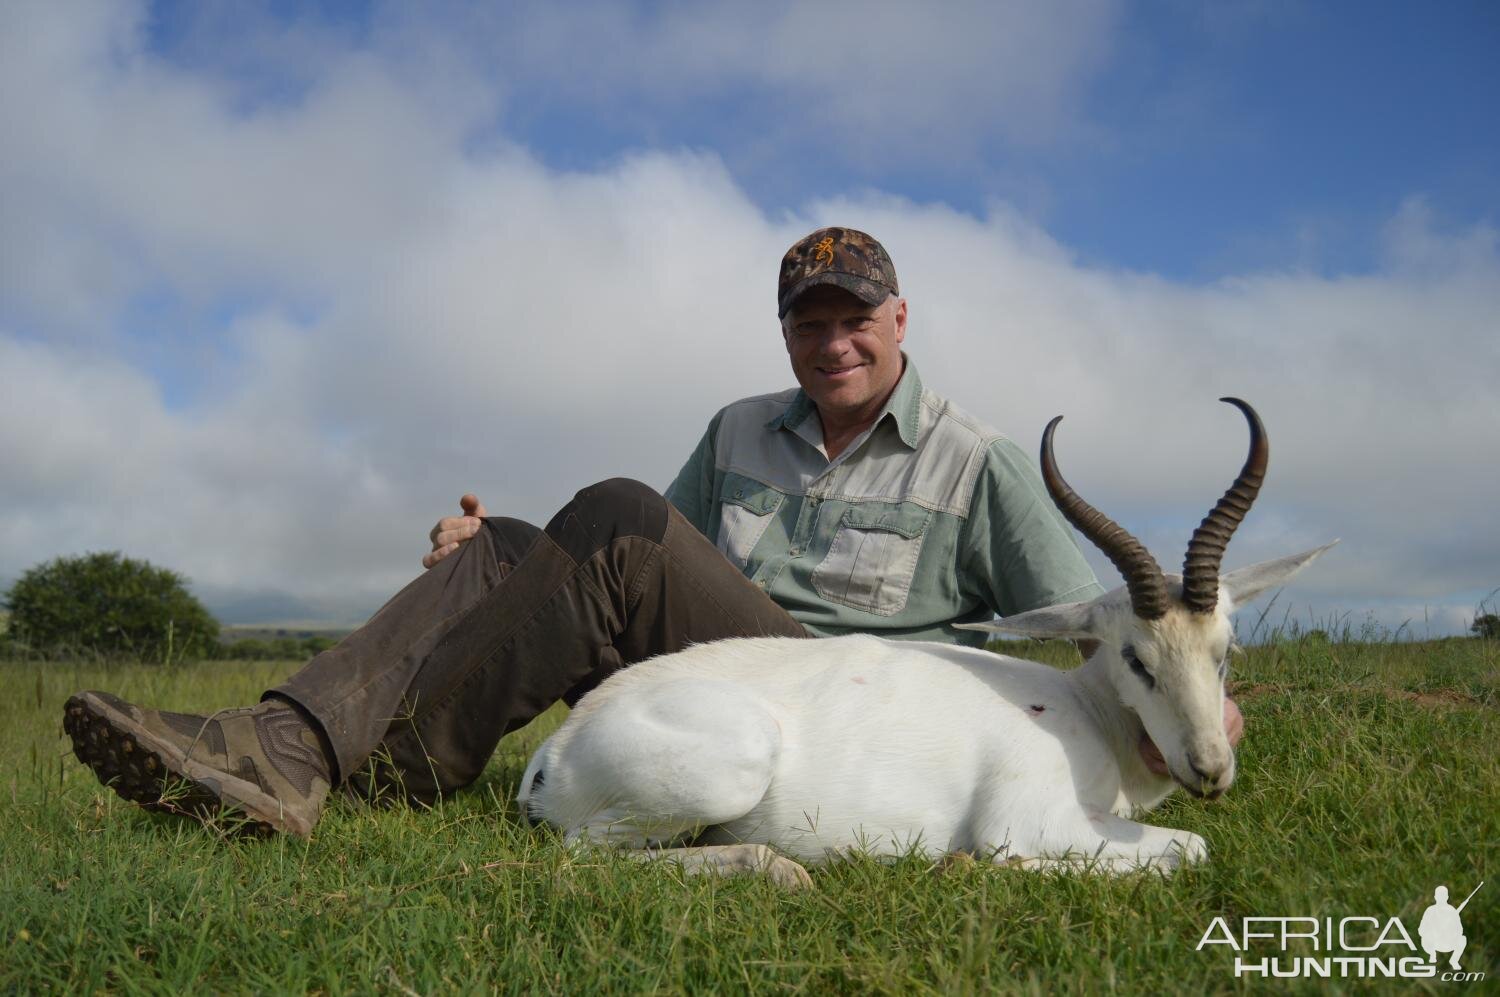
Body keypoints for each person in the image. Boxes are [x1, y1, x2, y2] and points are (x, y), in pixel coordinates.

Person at [64, 227, 1241, 838]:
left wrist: (1195, 710)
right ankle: (286, 737)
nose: (832, 341)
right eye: (806, 323)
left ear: (899, 321)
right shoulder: (738, 427)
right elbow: (627, 567)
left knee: (620, 518)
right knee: (518, 543)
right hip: (722, 667)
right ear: (786, 337)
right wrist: (495, 556)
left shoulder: (976, 459)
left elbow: (1103, 630)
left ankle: (323, 763)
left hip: (844, 697)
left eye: (854, 319)